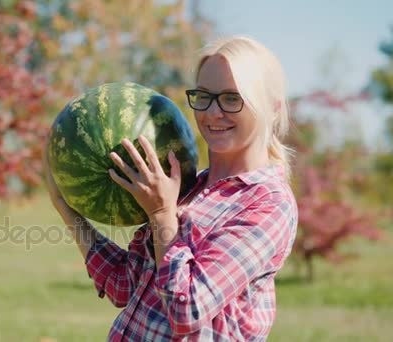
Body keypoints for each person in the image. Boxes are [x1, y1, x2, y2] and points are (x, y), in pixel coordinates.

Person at [43, 35, 298, 341]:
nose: (212, 113)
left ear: (272, 107)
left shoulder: (267, 203)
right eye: (203, 96)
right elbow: (125, 285)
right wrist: (70, 212)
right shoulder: (187, 186)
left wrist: (163, 215)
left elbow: (187, 309)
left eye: (232, 98)